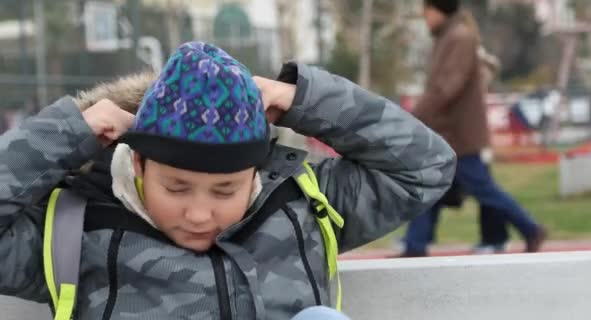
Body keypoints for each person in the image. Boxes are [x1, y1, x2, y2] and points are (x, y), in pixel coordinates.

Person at [0, 42, 456, 319]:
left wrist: (304, 99)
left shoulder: (302, 207)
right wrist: (68, 131)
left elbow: (425, 166)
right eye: (176, 188)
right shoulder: (81, 230)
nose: (200, 214)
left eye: (225, 190)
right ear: (138, 165)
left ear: (256, 172)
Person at [402, 0, 546, 257]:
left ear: (438, 9)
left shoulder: (458, 38)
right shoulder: (449, 37)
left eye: (427, 11)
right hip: (448, 134)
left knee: (481, 189)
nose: (425, 17)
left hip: (459, 137)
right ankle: (415, 245)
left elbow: (446, 87)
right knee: (429, 188)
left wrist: (415, 116)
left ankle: (530, 227)